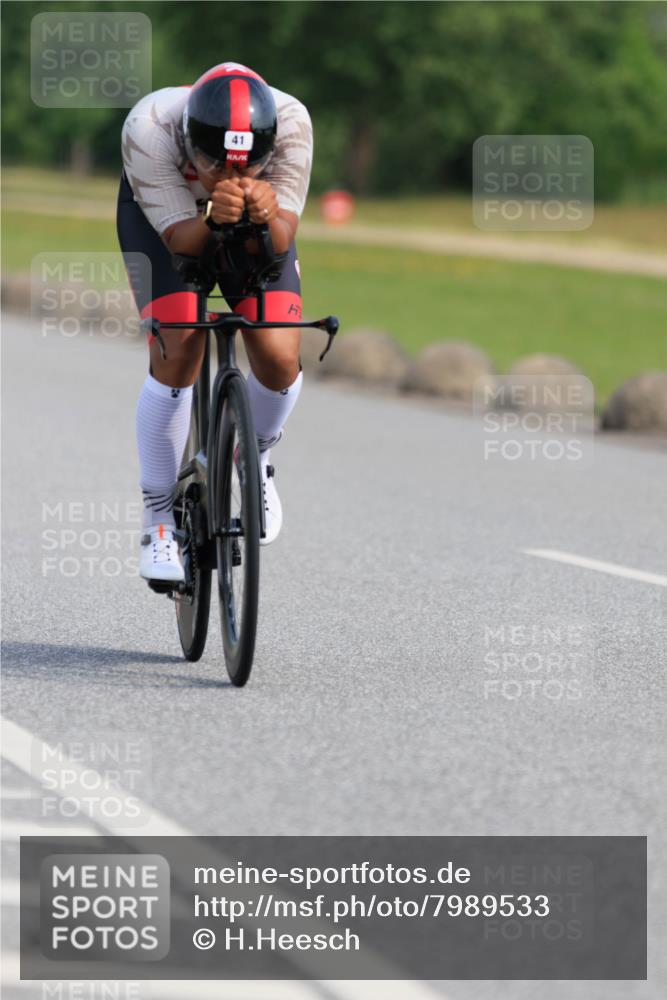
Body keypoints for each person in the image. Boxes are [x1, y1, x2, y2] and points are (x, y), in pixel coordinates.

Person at [117, 62, 313, 581]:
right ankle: (158, 518)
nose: (228, 178)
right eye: (212, 164)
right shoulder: (151, 127)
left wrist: (269, 218)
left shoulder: (293, 122)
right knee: (179, 349)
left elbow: (283, 236)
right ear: (188, 142)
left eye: (249, 167)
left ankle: (255, 456)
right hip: (169, 222)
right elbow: (182, 244)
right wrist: (211, 218)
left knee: (277, 355)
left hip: (253, 225)